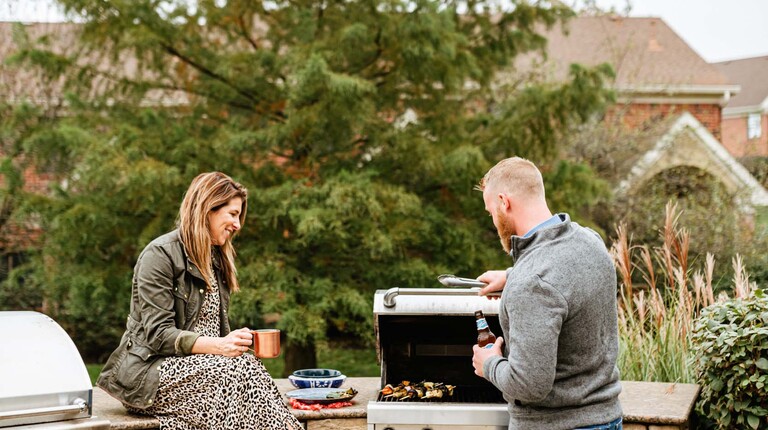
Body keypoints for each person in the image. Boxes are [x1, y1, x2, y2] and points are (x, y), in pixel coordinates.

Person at [97, 172, 301, 430]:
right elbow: (158, 334)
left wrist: (232, 342)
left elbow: (212, 332)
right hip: (154, 375)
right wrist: (220, 346)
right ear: (207, 208)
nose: (238, 225)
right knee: (241, 372)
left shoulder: (216, 259)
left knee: (243, 371)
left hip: (212, 374)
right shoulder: (159, 255)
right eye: (233, 214)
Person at [471, 157, 623, 430]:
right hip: (607, 418)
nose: (494, 221)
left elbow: (529, 386)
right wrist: (510, 275)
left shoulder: (532, 283)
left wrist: (489, 363)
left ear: (504, 202)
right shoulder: (590, 241)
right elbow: (560, 274)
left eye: (491, 211)